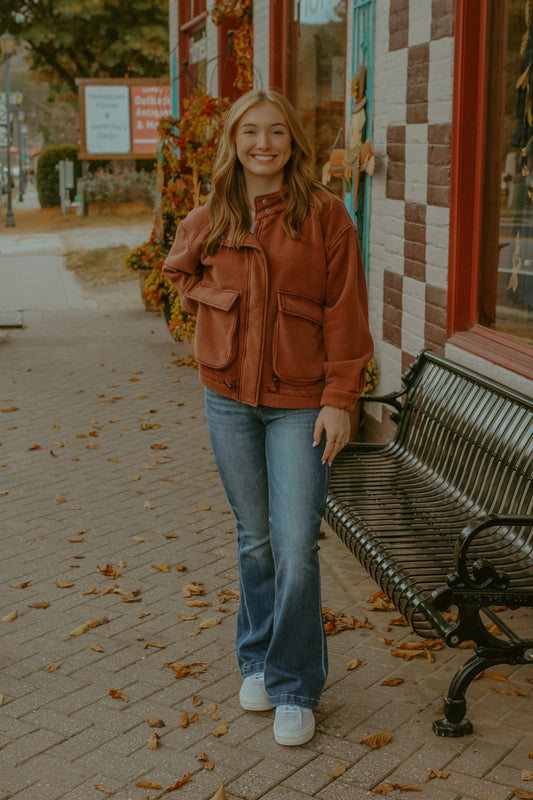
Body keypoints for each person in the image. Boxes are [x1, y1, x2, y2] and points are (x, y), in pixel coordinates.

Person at [163, 89, 373, 746]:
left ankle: (292, 684)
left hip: (301, 403)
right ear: (233, 142)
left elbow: (345, 313)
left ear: (292, 143)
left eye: (275, 132)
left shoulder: (326, 217)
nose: (263, 144)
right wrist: (217, 301)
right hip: (227, 397)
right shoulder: (211, 214)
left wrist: (340, 399)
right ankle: (254, 658)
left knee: (295, 547)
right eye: (250, 132)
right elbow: (177, 271)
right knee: (254, 540)